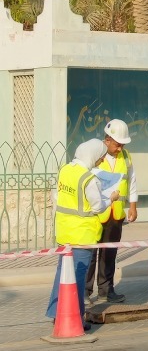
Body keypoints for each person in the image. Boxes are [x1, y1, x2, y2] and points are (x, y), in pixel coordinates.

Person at [46, 139, 119, 330]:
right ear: (93, 155)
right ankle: (75, 318)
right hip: (82, 235)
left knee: (62, 274)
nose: (101, 161)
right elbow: (97, 207)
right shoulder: (89, 179)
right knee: (77, 279)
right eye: (101, 157)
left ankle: (56, 313)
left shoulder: (65, 170)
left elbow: (58, 197)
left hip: (64, 231)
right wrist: (110, 199)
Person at [85, 119, 138, 304]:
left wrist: (133, 205)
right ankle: (85, 291)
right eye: (117, 144)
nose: (119, 148)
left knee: (109, 254)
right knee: (91, 255)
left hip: (116, 214)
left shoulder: (126, 156)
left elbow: (131, 180)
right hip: (96, 213)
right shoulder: (94, 155)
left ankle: (106, 290)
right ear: (107, 140)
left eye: (122, 144)